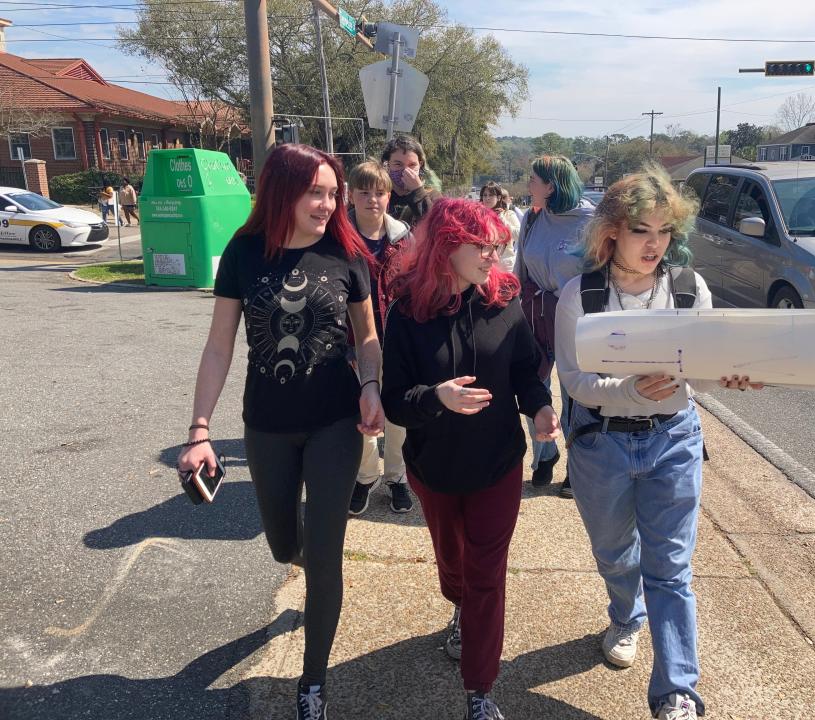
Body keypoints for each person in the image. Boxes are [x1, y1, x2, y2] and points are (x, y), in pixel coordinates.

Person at [176, 144, 384, 720]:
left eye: (332, 192)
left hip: (335, 421)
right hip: (265, 424)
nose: (328, 203)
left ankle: (312, 683)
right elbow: (219, 346)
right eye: (315, 192)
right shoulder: (245, 254)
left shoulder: (347, 252)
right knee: (282, 545)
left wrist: (370, 384)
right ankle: (300, 552)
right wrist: (199, 429)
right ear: (281, 192)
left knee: (324, 555)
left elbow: (367, 336)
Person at [554, 165, 763, 720]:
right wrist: (628, 388)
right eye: (642, 229)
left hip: (673, 440)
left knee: (670, 568)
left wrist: (734, 375)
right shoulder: (581, 295)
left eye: (664, 231)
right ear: (612, 231)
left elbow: (706, 368)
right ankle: (626, 615)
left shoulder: (689, 289)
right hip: (602, 447)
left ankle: (676, 692)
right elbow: (574, 381)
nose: (655, 243)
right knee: (614, 554)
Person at [381, 198, 560, 720]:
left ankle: (480, 690)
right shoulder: (407, 313)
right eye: (480, 246)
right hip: (434, 468)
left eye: (497, 245)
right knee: (453, 564)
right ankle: (457, 601)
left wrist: (542, 407)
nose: (492, 255)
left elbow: (527, 370)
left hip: (497, 464)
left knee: (487, 573)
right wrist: (435, 397)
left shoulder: (504, 300)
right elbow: (394, 399)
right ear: (445, 246)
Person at [512, 155, 594, 496]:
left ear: (552, 185)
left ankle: (578, 468)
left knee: (577, 397)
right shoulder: (533, 219)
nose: (527, 184)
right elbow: (520, 268)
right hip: (536, 316)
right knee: (534, 386)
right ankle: (544, 456)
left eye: (533, 179)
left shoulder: (592, 221)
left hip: (578, 320)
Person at [346, 160, 414, 515]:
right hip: (352, 339)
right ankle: (365, 477)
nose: (373, 199)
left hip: (396, 339)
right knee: (363, 413)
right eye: (364, 192)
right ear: (351, 194)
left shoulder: (403, 236)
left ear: (389, 196)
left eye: (380, 192)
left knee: (397, 414)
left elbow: (415, 286)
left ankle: (397, 477)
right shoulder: (337, 236)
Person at [380, 135, 439, 228]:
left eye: (412, 165)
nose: (405, 170)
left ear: (420, 165)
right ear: (387, 165)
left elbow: (436, 226)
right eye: (398, 164)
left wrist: (418, 192)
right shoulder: (379, 195)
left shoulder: (432, 196)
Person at [478, 181, 520, 272]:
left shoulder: (508, 214)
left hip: (504, 265)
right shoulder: (479, 216)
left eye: (491, 195)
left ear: (499, 197)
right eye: (485, 195)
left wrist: (501, 219)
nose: (487, 198)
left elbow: (519, 235)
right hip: (484, 265)